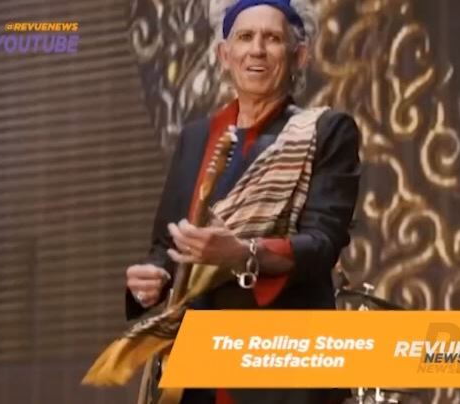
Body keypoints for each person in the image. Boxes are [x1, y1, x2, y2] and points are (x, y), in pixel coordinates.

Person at [123, 1, 361, 403]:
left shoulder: (325, 131)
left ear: (299, 55)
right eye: (245, 37)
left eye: (272, 38)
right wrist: (153, 276)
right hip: (199, 365)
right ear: (224, 54)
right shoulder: (197, 138)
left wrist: (242, 254)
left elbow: (322, 244)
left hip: (283, 365)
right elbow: (166, 246)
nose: (257, 50)